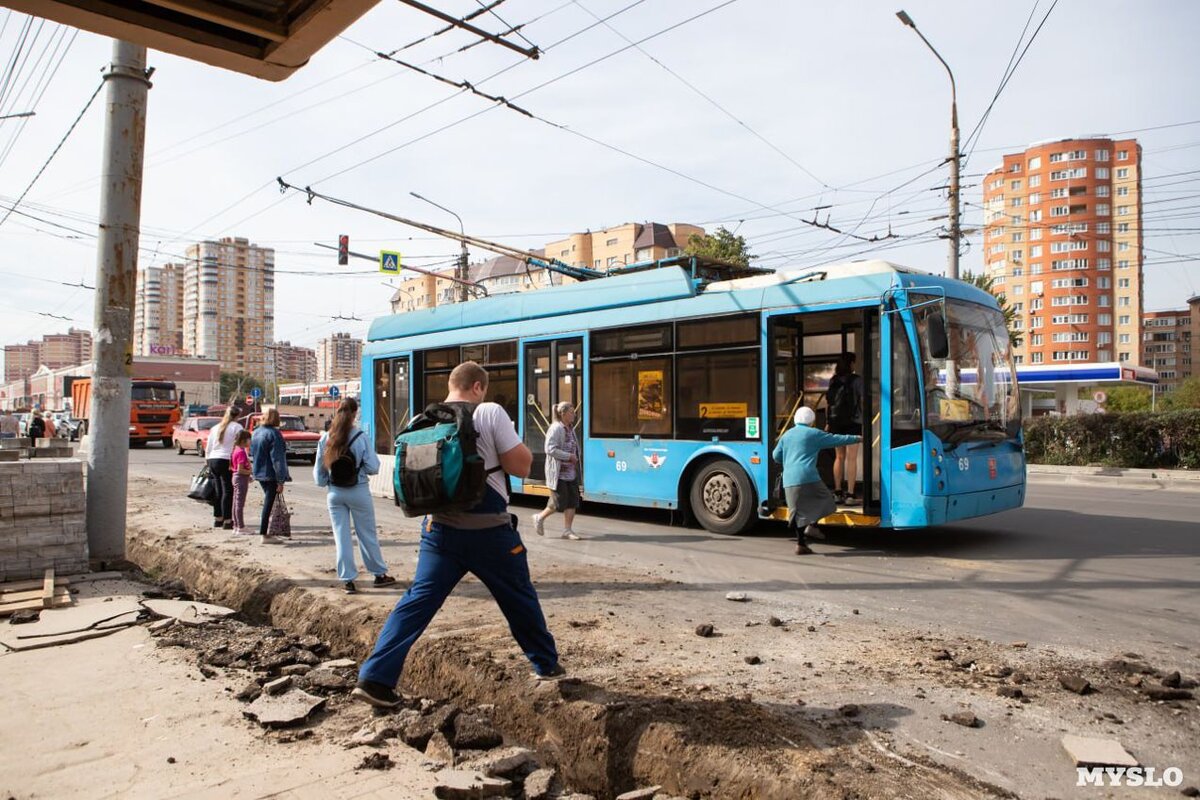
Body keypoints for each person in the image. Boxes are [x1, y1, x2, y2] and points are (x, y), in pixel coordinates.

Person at [353, 361, 563, 708]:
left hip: (439, 532)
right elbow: (522, 466)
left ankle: (374, 679)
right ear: (478, 387)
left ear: (451, 386)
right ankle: (545, 664)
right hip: (490, 533)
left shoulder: (425, 419)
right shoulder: (490, 413)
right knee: (519, 598)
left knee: (416, 602)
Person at [314, 397, 396, 594]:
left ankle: (348, 580)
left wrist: (329, 482)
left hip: (334, 493)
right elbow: (374, 467)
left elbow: (319, 474)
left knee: (341, 536)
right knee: (366, 534)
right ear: (354, 413)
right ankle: (378, 575)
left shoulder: (326, 438)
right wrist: (358, 469)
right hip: (358, 489)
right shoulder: (360, 437)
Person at [772, 406, 862, 555]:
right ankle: (812, 525)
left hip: (789, 479)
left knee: (797, 512)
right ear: (811, 420)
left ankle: (801, 544)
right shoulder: (814, 434)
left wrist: (790, 459)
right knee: (827, 501)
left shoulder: (786, 435)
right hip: (808, 477)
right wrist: (857, 438)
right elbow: (835, 439)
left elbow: (776, 456)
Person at [531, 401, 582, 540]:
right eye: (571, 412)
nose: (574, 415)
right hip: (558, 473)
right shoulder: (556, 428)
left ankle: (567, 530)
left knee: (572, 501)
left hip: (570, 472)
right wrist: (568, 456)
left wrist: (576, 458)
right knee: (558, 502)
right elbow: (549, 449)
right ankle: (539, 517)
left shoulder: (570, 428)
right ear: (563, 414)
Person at [825, 352, 864, 505]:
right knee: (852, 458)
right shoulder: (857, 380)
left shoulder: (833, 381)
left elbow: (829, 404)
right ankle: (851, 494)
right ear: (851, 364)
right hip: (853, 423)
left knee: (839, 457)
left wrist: (828, 422)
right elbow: (863, 401)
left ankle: (837, 492)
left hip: (836, 423)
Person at [250, 408, 291, 545]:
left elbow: (252, 453)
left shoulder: (255, 432)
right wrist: (281, 480)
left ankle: (266, 532)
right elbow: (277, 459)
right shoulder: (274, 434)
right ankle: (264, 534)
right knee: (268, 503)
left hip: (259, 472)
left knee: (268, 502)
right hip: (271, 474)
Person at [206, 406, 245, 530]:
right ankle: (228, 520)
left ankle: (218, 518)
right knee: (228, 491)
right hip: (226, 460)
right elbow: (241, 445)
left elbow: (209, 446)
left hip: (213, 459)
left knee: (218, 490)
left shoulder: (215, 427)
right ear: (237, 416)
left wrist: (208, 460)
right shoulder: (237, 427)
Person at [230, 429, 253, 535]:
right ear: (244, 440)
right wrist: (249, 472)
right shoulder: (240, 452)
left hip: (238, 477)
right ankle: (240, 526)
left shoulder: (237, 449)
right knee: (239, 503)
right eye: (249, 439)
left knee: (236, 502)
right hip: (240, 478)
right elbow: (240, 469)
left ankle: (236, 525)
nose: (250, 441)